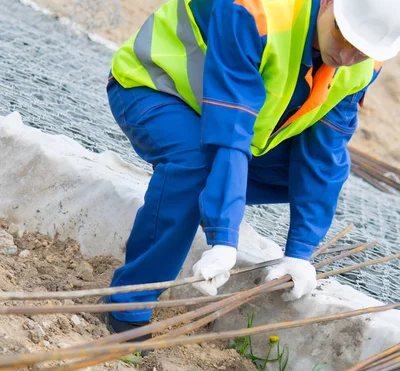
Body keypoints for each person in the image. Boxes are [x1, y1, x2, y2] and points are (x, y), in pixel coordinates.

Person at [104, 0, 400, 338]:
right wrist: (223, 235)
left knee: (301, 178)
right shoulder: (255, 10)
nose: (347, 57)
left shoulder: (365, 63)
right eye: (342, 36)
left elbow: (323, 154)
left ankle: (203, 200)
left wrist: (300, 252)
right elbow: (230, 126)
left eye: (360, 51)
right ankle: (128, 309)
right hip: (156, 85)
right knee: (195, 167)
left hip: (223, 124)